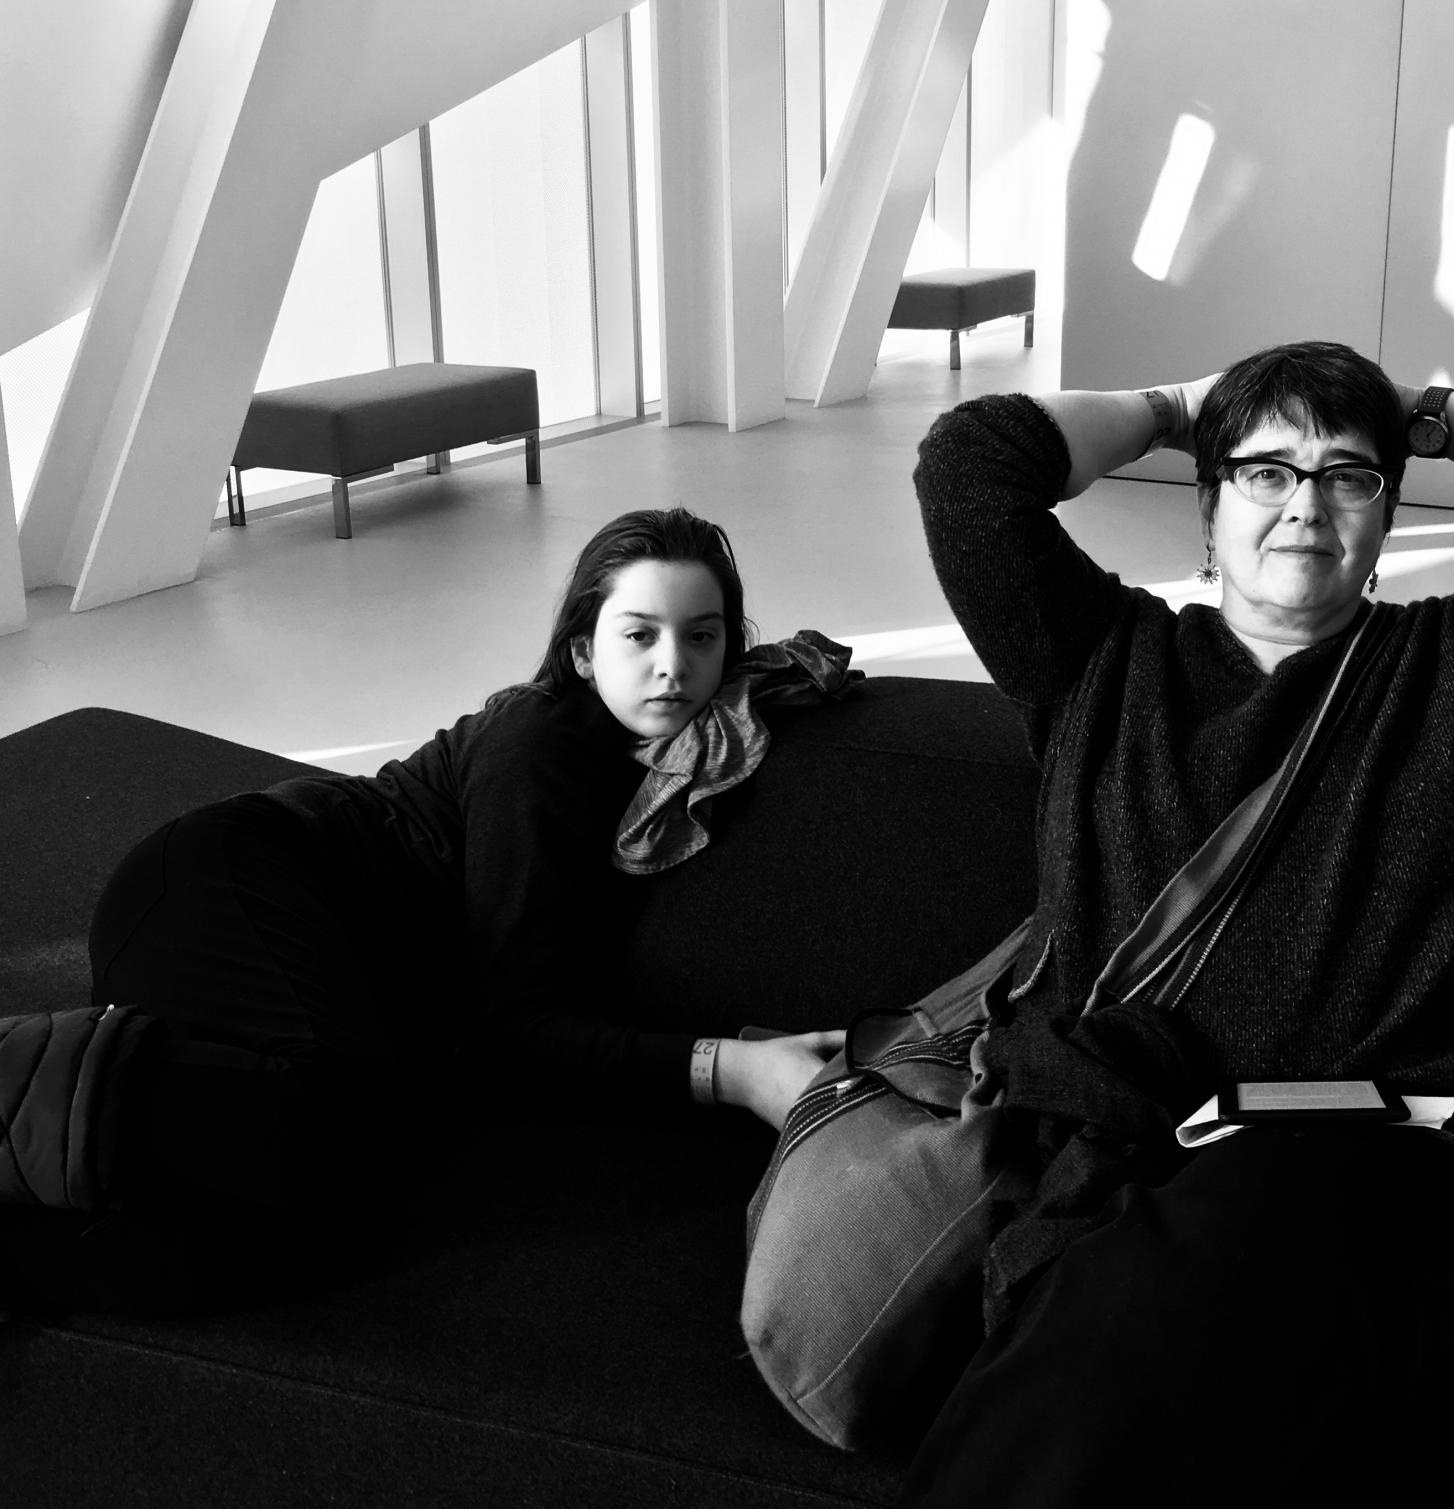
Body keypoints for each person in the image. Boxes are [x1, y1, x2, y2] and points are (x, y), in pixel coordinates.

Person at [810, 344, 1454, 1509]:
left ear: (1388, 512)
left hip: (1391, 1163)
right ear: (1206, 502)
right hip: (1137, 1167)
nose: (1306, 504)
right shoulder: (1103, 659)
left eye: (1350, 475)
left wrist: (1439, 417)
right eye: (1266, 471)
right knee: (1118, 1361)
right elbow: (970, 467)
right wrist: (1182, 405)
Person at [0, 507, 846, 1313]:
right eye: (640, 634)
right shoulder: (540, 749)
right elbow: (519, 1029)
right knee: (339, 1161)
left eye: (702, 636)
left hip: (278, 943)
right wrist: (736, 1071)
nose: (674, 665)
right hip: (218, 887)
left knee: (317, 1202)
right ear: (583, 652)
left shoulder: (660, 748)